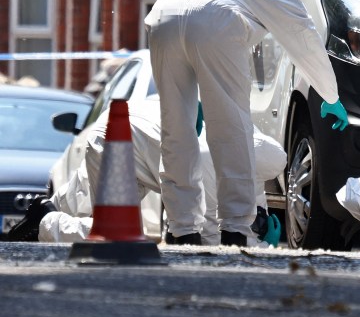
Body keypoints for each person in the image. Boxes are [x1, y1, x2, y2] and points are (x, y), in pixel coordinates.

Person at [144, 0, 347, 247]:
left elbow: (190, 13)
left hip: (163, 19)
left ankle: (182, 229)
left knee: (175, 131)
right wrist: (330, 93)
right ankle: (235, 229)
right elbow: (303, 37)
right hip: (215, 19)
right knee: (232, 130)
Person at [6, 97, 285, 246]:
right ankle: (46, 223)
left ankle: (47, 208)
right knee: (120, 238)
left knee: (85, 194)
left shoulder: (247, 145)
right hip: (124, 140)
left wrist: (259, 222)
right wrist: (259, 244)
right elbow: (211, 242)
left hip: (129, 127)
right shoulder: (212, 161)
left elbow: (251, 182)